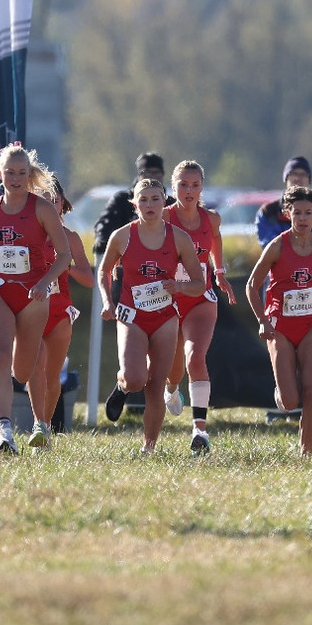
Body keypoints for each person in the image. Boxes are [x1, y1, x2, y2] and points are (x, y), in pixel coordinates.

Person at [0, 144, 74, 455]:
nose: (15, 178)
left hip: (33, 294)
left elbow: (64, 255)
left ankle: (41, 423)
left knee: (24, 371)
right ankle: (4, 431)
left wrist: (44, 282)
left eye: (21, 173)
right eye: (10, 173)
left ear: (29, 175)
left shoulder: (41, 209)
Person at [99, 179, 206, 453]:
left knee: (156, 384)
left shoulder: (179, 239)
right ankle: (123, 386)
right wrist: (108, 302)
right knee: (136, 378)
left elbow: (199, 283)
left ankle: (149, 447)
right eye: (143, 200)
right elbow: (103, 271)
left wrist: (179, 286)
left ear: (165, 202)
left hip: (165, 317)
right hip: (131, 315)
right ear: (134, 205)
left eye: (155, 199)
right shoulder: (122, 236)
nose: (149, 205)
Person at [247, 186, 312, 456]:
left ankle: (306, 453)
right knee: (291, 401)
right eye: (297, 212)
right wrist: (262, 320)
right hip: (279, 327)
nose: (302, 218)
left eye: (308, 213)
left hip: (310, 326)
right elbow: (251, 285)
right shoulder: (277, 246)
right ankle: (281, 392)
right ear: (287, 214)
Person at [162, 161, 234, 452]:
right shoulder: (162, 217)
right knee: (173, 367)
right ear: (173, 186)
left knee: (195, 356)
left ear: (202, 187)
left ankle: (199, 430)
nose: (189, 191)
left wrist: (219, 272)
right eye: (183, 184)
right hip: (166, 298)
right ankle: (170, 388)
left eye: (194, 185)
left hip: (200, 298)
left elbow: (215, 239)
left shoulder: (211, 219)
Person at [27, 168, 95, 449]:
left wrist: (65, 266)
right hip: (30, 309)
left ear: (63, 203)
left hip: (59, 311)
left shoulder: (70, 237)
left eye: (54, 198)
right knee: (35, 366)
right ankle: (37, 423)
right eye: (43, 197)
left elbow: (89, 279)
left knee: (53, 375)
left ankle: (45, 425)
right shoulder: (25, 235)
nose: (50, 203)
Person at [256, 155, 312, 247]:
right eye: (294, 174)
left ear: (309, 180)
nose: (298, 178)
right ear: (286, 179)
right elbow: (267, 243)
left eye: (303, 174)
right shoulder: (268, 212)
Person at [93, 151, 165, 256]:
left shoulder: (170, 203)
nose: (153, 177)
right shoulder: (122, 200)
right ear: (140, 175)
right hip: (126, 255)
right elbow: (106, 222)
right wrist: (103, 240)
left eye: (157, 173)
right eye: (148, 172)